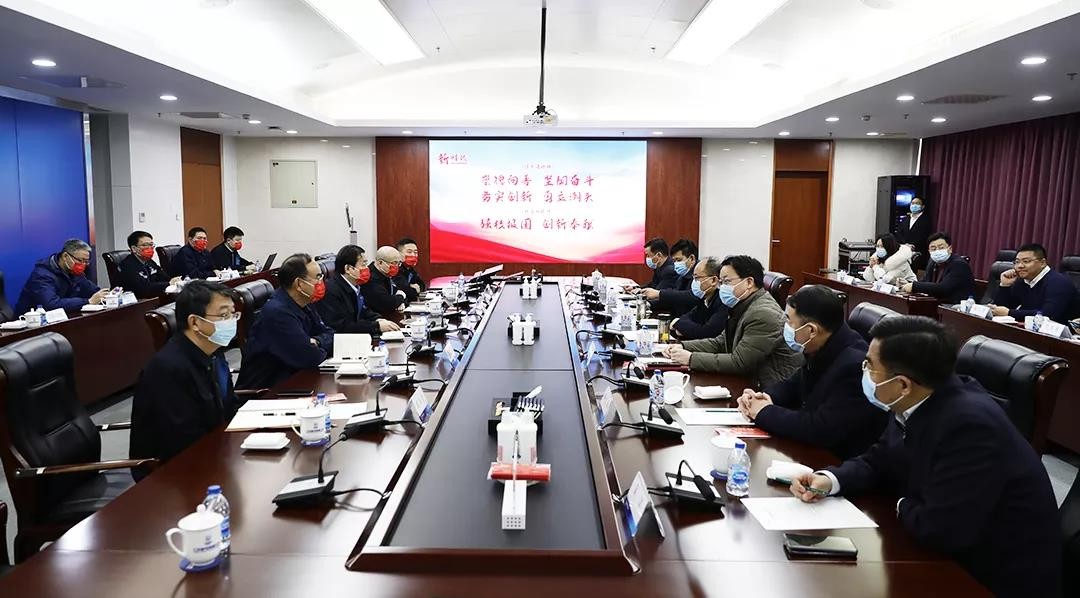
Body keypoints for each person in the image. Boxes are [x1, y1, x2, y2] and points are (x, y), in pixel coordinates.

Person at [790, 316, 1060, 598]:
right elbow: (880, 460)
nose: (864, 371)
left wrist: (899, 503)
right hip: (946, 552)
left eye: (869, 366)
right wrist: (830, 480)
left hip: (990, 576)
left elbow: (939, 528)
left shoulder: (970, 427)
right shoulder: (917, 399)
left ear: (903, 384)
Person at [736, 285, 887, 459]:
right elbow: (794, 385)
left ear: (812, 330)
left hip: (836, 460)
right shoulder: (824, 345)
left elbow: (821, 429)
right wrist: (761, 398)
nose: (785, 326)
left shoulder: (854, 366)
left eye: (789, 321)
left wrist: (763, 412)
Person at [129, 281, 240, 477]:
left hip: (216, 451)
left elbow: (229, 408)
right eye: (224, 315)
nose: (231, 321)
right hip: (173, 472)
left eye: (233, 314)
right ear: (195, 322)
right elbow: (182, 440)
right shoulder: (168, 369)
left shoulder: (214, 353)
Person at [663, 255, 802, 388]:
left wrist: (691, 358)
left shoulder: (763, 313)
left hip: (768, 389)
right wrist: (682, 346)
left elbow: (739, 362)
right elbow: (720, 343)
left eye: (727, 282)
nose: (722, 287)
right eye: (721, 282)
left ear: (749, 282)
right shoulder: (741, 305)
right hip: (749, 382)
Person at [236, 254, 335, 390]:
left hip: (296, 380)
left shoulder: (305, 302)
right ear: (299, 284)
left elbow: (331, 335)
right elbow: (311, 357)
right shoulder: (277, 314)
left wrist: (317, 341)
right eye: (318, 277)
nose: (321, 282)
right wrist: (315, 345)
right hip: (268, 392)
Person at [317, 245, 400, 335]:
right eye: (363, 265)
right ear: (348, 269)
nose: (367, 268)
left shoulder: (355, 286)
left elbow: (364, 310)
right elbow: (341, 326)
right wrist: (376, 326)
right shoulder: (331, 291)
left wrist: (378, 319)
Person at [990, 242, 1080, 321]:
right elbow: (1002, 309)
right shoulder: (1023, 280)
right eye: (1017, 262)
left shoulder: (1059, 283)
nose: (1020, 266)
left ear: (1042, 263)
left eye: (1026, 261)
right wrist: (1005, 286)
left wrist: (1010, 313)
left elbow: (1047, 315)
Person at [15, 239, 106, 314]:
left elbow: (93, 291)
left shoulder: (75, 272)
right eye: (80, 260)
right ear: (65, 256)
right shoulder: (42, 275)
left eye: (86, 261)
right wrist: (88, 301)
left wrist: (108, 295)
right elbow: (51, 305)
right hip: (31, 325)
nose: (83, 265)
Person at [900, 232, 974, 303]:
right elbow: (925, 282)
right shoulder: (933, 262)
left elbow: (943, 288)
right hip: (936, 302)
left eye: (941, 247)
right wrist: (908, 284)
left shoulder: (959, 265)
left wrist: (914, 286)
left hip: (954, 306)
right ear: (929, 251)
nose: (937, 251)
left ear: (950, 249)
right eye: (933, 249)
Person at [669, 256, 728, 341]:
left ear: (713, 280)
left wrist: (679, 325)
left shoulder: (723, 301)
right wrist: (684, 326)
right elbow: (687, 317)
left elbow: (707, 332)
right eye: (693, 278)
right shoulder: (704, 299)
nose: (694, 282)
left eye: (697, 278)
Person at [641, 238, 700, 317]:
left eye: (678, 260)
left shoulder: (700, 274)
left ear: (692, 258)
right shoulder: (682, 275)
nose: (675, 264)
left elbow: (692, 295)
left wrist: (659, 294)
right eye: (674, 261)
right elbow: (674, 296)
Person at [118, 231, 181, 299]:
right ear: (134, 249)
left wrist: (174, 281)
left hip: (153, 297)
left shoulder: (149, 261)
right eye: (145, 245)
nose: (149, 248)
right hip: (136, 301)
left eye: (151, 245)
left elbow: (162, 276)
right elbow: (142, 288)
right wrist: (168, 284)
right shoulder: (127, 266)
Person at [361, 246, 408, 316]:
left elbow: (398, 292)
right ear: (380, 262)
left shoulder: (386, 274)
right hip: (374, 318)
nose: (397, 266)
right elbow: (387, 303)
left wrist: (400, 301)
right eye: (394, 263)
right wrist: (401, 296)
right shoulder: (370, 278)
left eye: (398, 263)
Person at [897, 197, 932, 272]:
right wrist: (905, 244)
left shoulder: (926, 220)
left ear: (922, 206)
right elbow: (899, 233)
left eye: (917, 203)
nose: (914, 205)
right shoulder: (906, 219)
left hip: (918, 253)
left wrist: (913, 245)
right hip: (903, 250)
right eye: (912, 203)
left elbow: (924, 236)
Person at [393, 237, 427, 302]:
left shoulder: (410, 269)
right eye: (409, 252)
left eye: (415, 252)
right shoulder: (395, 270)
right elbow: (409, 293)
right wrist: (411, 287)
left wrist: (412, 286)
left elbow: (422, 285)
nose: (413, 255)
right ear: (399, 254)